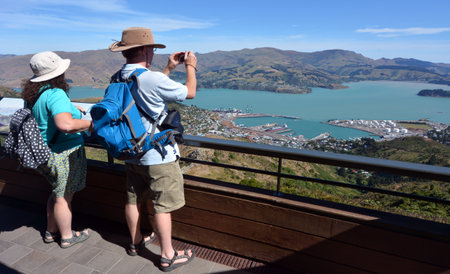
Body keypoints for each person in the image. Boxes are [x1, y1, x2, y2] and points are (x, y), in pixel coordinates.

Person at [109, 27, 197, 272]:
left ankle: (136, 243)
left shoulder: (117, 77)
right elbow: (189, 92)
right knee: (162, 206)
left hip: (130, 151)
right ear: (148, 50)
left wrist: (169, 69)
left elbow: (143, 90)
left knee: (132, 200)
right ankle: (167, 255)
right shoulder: (151, 78)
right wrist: (191, 66)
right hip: (158, 155)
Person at [21, 51, 93, 248]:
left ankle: (51, 232)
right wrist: (90, 125)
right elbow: (65, 125)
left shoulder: (36, 93)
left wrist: (71, 107)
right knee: (63, 197)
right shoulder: (56, 93)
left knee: (56, 193)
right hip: (64, 153)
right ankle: (68, 236)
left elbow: (47, 115)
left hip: (46, 152)